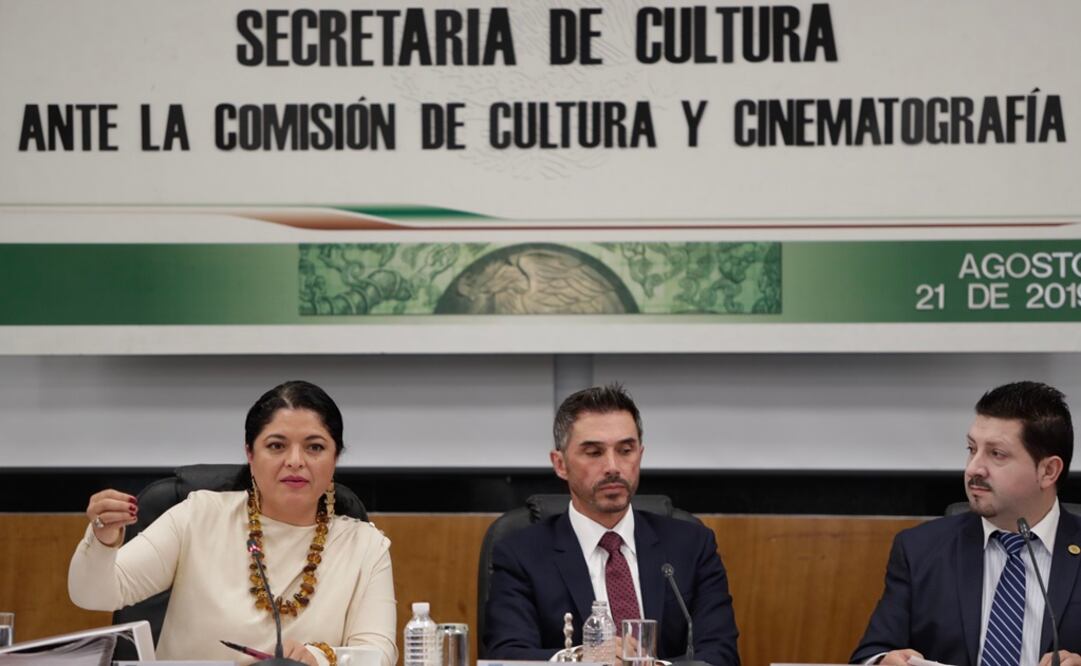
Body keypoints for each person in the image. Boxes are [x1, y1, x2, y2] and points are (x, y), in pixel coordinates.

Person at [68, 380, 397, 666]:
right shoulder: (198, 516)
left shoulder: (365, 547)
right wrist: (103, 539)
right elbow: (93, 595)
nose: (295, 461)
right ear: (250, 454)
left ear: (335, 458)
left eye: (315, 447)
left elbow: (379, 653)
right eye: (276, 446)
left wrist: (319, 658)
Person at [484, 384, 740, 666]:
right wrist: (581, 659)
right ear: (560, 464)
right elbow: (506, 654)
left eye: (625, 450)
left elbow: (721, 653)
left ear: (640, 455)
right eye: (594, 452)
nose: (613, 467)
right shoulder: (520, 554)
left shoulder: (691, 545)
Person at [852, 381, 1081, 666]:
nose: (973, 468)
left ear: (1048, 471)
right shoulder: (920, 549)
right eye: (972, 449)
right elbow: (870, 654)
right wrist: (882, 661)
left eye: (997, 454)